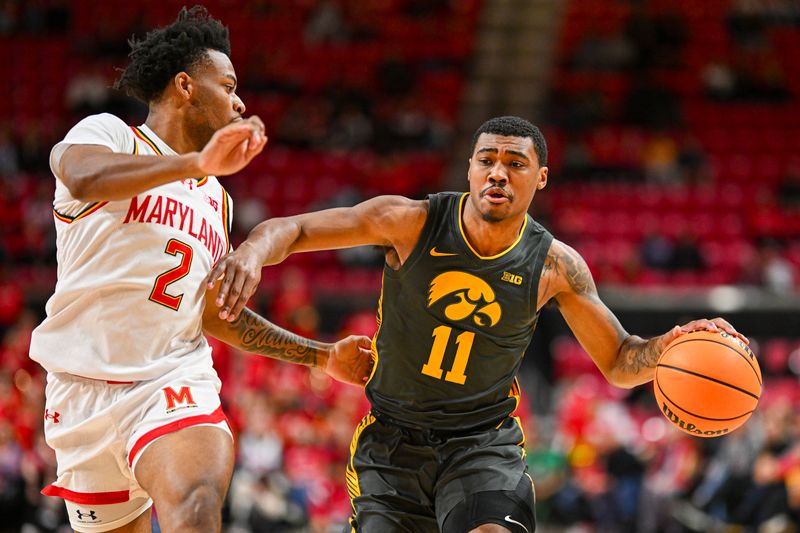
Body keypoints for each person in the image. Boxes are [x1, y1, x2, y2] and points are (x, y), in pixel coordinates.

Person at [210, 115, 749, 533]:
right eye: (486, 159)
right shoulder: (410, 222)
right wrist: (253, 251)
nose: (497, 171)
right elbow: (294, 228)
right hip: (391, 440)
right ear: (469, 169)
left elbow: (619, 359)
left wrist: (672, 346)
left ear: (540, 178)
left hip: (481, 444)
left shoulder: (556, 265)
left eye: (514, 162)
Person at [28, 6, 373, 533]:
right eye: (229, 85)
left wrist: (321, 356)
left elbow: (214, 315)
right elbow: (86, 178)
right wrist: (194, 164)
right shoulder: (109, 135)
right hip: (81, 391)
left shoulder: (217, 198)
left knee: (195, 503)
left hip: (173, 377)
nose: (240, 102)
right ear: (186, 86)